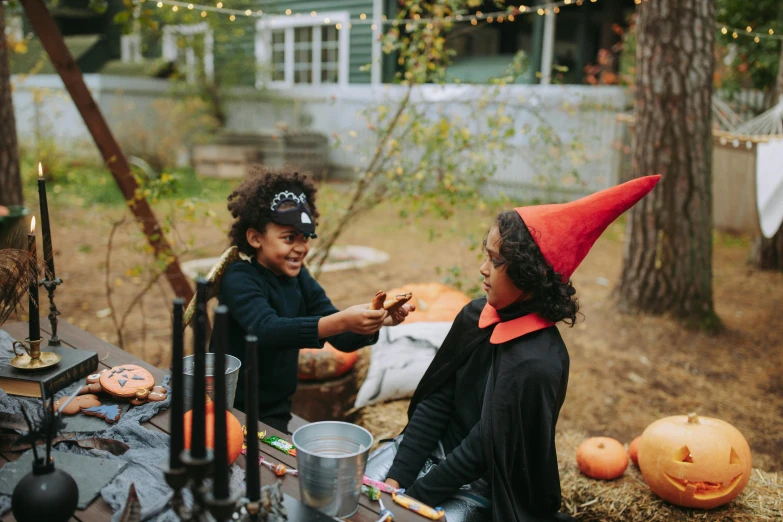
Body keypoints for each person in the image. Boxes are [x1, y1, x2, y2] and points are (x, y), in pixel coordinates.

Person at [373, 175, 661, 522]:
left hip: (483, 482)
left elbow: (484, 449)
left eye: (495, 261)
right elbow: (438, 399)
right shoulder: (473, 316)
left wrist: (414, 500)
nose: (483, 269)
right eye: (486, 256)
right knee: (359, 492)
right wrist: (397, 478)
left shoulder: (539, 361)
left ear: (529, 274)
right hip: (430, 454)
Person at [218, 167, 414, 433]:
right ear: (255, 238)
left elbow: (342, 338)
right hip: (226, 408)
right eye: (289, 238)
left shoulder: (299, 280)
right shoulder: (239, 278)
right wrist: (340, 320)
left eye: (305, 237)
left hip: (274, 412)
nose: (301, 248)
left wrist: (378, 320)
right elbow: (267, 330)